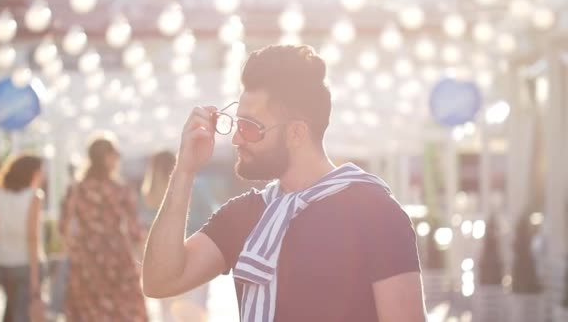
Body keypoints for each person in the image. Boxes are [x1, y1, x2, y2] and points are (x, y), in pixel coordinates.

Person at [142, 44, 427, 321]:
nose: (237, 139)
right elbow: (160, 281)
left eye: (250, 127)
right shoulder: (246, 214)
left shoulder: (374, 211)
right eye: (237, 123)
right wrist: (184, 170)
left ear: (296, 133)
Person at [59, 133, 147, 321]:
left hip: (86, 258)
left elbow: (63, 227)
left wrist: (75, 250)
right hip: (117, 257)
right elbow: (135, 230)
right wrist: (142, 258)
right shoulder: (118, 189)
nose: (117, 159)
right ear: (105, 157)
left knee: (89, 311)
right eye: (115, 154)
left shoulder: (76, 189)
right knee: (122, 311)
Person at [141, 150, 214, 321]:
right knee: (195, 311)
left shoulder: (149, 195)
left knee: (168, 314)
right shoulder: (194, 187)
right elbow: (211, 217)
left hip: (162, 258)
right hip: (195, 255)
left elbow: (144, 229)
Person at [0, 153, 46, 322]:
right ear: (32, 173)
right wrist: (35, 279)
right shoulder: (34, 196)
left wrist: (1, 249)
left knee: (11, 311)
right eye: (40, 171)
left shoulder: (0, 195)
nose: (43, 175)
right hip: (27, 264)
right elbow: (32, 237)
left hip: (4, 263)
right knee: (22, 315)